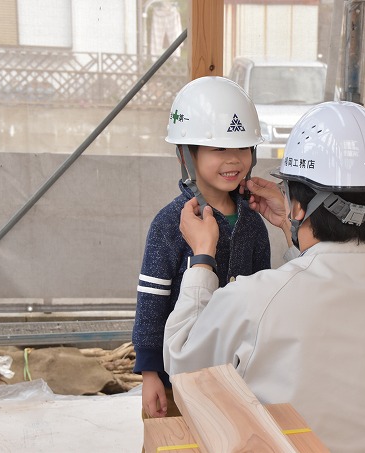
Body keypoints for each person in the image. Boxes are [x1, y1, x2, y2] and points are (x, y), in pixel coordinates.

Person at [163, 101, 365, 453]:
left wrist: (202, 257)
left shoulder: (255, 301)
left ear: (296, 204)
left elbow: (183, 363)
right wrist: (293, 229)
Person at [132, 76, 271, 419]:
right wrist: (151, 374)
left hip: (237, 378)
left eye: (242, 148)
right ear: (186, 154)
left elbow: (265, 299)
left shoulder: (253, 223)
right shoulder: (168, 224)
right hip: (176, 380)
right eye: (219, 148)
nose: (234, 160)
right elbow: (151, 303)